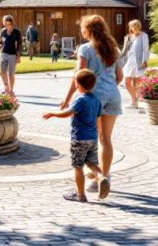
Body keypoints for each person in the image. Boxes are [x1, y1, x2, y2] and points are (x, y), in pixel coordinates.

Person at [60, 15, 124, 200]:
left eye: (83, 29)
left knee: (91, 138)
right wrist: (109, 86)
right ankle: (104, 175)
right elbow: (120, 77)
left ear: (89, 30)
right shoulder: (114, 49)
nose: (81, 32)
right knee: (106, 138)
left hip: (92, 97)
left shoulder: (86, 49)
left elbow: (79, 77)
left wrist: (67, 99)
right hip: (113, 95)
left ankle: (96, 178)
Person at [43, 68, 105, 202]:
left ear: (78, 84)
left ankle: (81, 195)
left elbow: (68, 113)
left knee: (78, 166)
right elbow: (98, 122)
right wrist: (98, 136)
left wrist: (53, 113)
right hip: (93, 138)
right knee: (92, 163)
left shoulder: (81, 99)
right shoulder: (96, 100)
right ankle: (102, 178)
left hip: (80, 138)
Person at [122, 20, 151, 108]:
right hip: (129, 62)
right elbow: (125, 50)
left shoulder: (144, 36)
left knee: (137, 84)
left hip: (139, 62)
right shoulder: (130, 36)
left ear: (136, 26)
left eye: (131, 26)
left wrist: (144, 60)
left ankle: (134, 102)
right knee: (127, 82)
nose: (130, 28)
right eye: (130, 27)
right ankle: (135, 99)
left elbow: (146, 49)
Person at [0, 15, 23, 93]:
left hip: (12, 55)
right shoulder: (3, 31)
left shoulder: (16, 32)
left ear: (12, 23)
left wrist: (18, 56)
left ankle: (11, 90)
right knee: (2, 73)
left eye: (8, 24)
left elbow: (19, 44)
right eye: (5, 24)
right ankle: (6, 88)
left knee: (11, 74)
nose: (7, 25)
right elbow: (1, 41)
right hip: (3, 54)